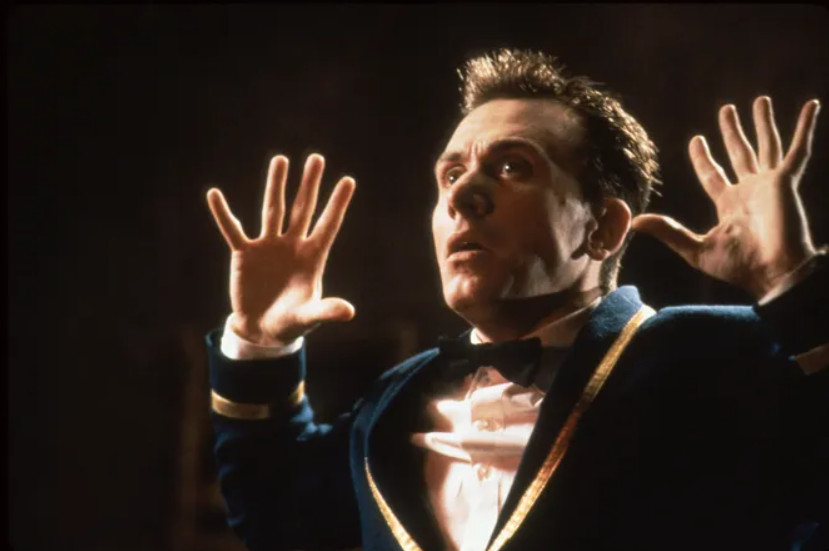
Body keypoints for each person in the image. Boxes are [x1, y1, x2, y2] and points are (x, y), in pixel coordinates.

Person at [204, 49, 828, 551]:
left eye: (512, 167)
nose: (460, 196)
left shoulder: (715, 352)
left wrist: (791, 284)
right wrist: (259, 345)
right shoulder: (393, 400)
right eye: (450, 175)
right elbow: (281, 518)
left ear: (603, 228)